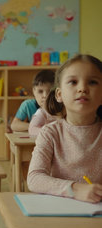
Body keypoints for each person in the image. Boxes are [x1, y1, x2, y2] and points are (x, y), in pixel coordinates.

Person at [27, 54, 102, 203]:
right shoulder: (50, 133)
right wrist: (75, 189)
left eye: (92, 82)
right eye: (73, 82)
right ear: (59, 95)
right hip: (60, 211)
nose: (82, 88)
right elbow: (34, 178)